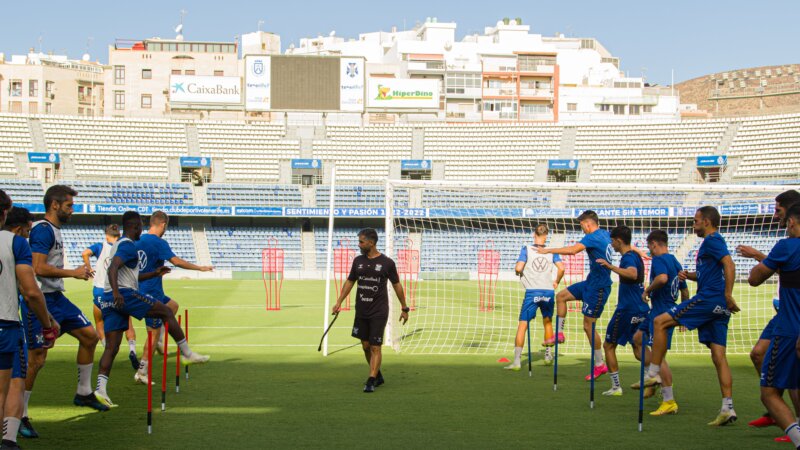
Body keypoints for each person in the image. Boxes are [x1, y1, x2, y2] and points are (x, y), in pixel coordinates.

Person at [94, 211, 210, 407]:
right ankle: (186, 353)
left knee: (112, 347)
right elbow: (112, 269)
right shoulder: (129, 246)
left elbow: (130, 275)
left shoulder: (116, 245)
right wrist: (117, 293)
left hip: (108, 298)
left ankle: (101, 389)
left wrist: (153, 273)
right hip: (123, 294)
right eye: (140, 226)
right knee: (165, 311)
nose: (142, 230)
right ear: (135, 227)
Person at [644, 206, 740, 426]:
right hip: (718, 307)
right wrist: (689, 275)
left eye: (696, 221)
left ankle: (654, 373)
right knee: (719, 357)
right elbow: (710, 273)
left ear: (706, 221)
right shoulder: (710, 244)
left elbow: (729, 263)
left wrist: (728, 294)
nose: (693, 224)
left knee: (659, 322)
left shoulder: (712, 240)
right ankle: (727, 407)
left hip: (709, 300)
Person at [23, 185, 107, 423]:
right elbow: (37, 267)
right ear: (54, 205)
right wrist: (73, 272)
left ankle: (83, 392)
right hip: (41, 300)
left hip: (56, 297)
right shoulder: (43, 230)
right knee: (37, 358)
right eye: (69, 205)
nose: (72, 210)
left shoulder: (54, 230)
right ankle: (21, 413)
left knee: (89, 337)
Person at [736, 189, 800, 431]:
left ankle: (791, 423)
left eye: (778, 210)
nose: (775, 216)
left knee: (780, 383)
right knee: (758, 354)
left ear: (791, 215)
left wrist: (758, 257)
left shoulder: (787, 245)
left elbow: (755, 278)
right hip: (784, 312)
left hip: (790, 317)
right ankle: (778, 412)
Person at [0, 198, 55, 448]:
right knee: (11, 384)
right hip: (5, 324)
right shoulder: (15, 243)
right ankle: (8, 440)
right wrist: (47, 322)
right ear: (4, 213)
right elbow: (31, 291)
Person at [133, 211, 213, 384]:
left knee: (173, 306)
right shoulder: (158, 242)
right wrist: (200, 268)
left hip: (148, 290)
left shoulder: (138, 240)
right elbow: (176, 261)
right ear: (163, 224)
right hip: (150, 293)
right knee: (152, 334)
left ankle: (161, 341)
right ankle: (142, 372)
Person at [536, 210, 613, 380]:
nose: (582, 229)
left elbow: (572, 251)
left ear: (588, 223)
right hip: (590, 283)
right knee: (561, 296)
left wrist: (548, 251)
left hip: (599, 287)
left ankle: (600, 365)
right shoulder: (606, 234)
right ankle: (560, 333)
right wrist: (639, 251)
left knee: (588, 326)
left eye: (582, 225)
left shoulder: (592, 236)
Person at [332, 228, 409, 393]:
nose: (359, 244)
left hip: (378, 311)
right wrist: (339, 301)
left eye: (361, 241)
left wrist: (404, 307)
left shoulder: (387, 263)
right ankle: (378, 374)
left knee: (375, 346)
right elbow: (350, 282)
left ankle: (371, 379)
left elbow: (397, 285)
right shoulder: (357, 261)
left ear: (371, 243)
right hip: (361, 310)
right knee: (365, 346)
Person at [632, 230, 689, 415]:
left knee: (659, 355)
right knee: (638, 339)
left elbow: (663, 278)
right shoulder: (675, 261)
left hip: (661, 311)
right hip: (662, 309)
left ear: (655, 244)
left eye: (649, 246)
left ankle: (668, 400)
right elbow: (685, 290)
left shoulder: (659, 260)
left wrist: (647, 290)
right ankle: (653, 376)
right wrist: (683, 312)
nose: (649, 250)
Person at [596, 225, 648, 396]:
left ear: (619, 241)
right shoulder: (635, 256)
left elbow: (632, 274)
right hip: (640, 308)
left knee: (609, 345)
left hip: (627, 309)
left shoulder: (628, 258)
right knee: (638, 348)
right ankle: (655, 376)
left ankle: (616, 386)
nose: (611, 244)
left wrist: (610, 267)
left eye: (612, 241)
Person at [505, 224, 564, 370]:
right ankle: (548, 355)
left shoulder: (527, 249)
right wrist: (556, 281)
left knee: (523, 325)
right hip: (548, 291)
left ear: (534, 234)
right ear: (546, 235)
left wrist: (519, 273)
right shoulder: (551, 251)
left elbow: (518, 267)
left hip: (532, 291)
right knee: (548, 322)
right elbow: (562, 268)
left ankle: (517, 361)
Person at [82, 225, 138, 370]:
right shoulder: (122, 246)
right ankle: (132, 349)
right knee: (127, 323)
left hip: (101, 290)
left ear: (106, 235)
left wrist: (89, 268)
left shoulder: (100, 246)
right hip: (118, 289)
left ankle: (108, 350)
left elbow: (85, 253)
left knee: (99, 322)